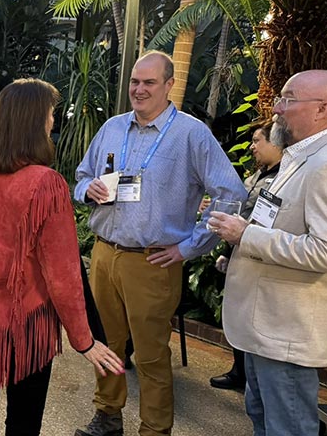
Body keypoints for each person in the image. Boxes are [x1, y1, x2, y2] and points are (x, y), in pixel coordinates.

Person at [74, 51, 246, 436]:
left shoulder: (191, 134)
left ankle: (154, 430)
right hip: (104, 254)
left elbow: (231, 194)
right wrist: (88, 189)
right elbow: (81, 176)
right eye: (135, 82)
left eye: (149, 82)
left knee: (151, 355)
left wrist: (189, 247)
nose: (139, 89)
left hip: (153, 263)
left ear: (169, 85)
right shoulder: (112, 128)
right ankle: (108, 416)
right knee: (106, 343)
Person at [0, 78, 124, 436]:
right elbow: (63, 275)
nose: (53, 121)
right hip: (29, 327)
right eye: (50, 113)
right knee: (23, 422)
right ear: (33, 121)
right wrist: (84, 340)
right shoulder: (45, 183)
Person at [210, 69, 327, 436]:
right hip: (266, 329)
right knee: (264, 418)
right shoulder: (299, 159)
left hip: (287, 334)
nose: (277, 108)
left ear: (322, 109)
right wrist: (243, 238)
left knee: (287, 428)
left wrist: (246, 236)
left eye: (288, 99)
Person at [208, 121, 282, 391]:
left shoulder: (283, 179)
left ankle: (250, 377)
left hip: (261, 257)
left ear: (275, 143)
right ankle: (239, 371)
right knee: (239, 315)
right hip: (241, 252)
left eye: (257, 141)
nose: (252, 147)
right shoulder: (258, 175)